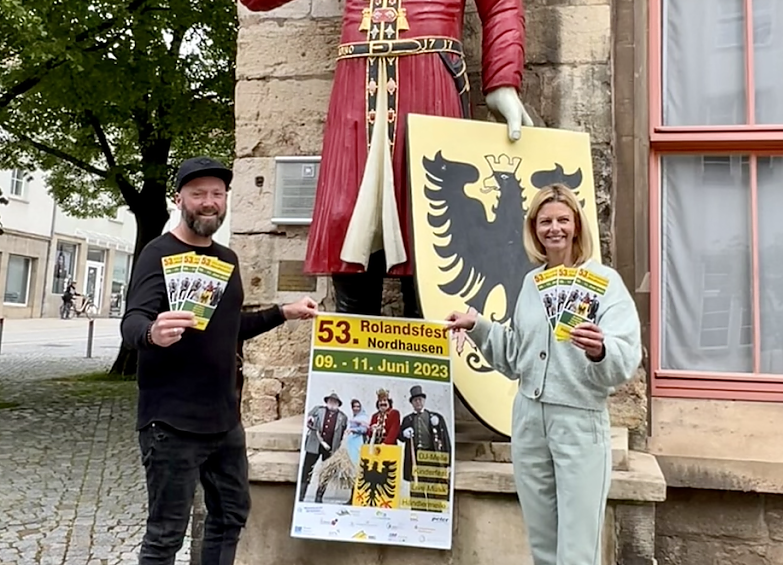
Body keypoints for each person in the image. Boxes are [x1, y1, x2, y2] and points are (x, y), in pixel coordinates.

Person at [239, 0, 531, 318]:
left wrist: (502, 80)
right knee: (347, 216)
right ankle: (349, 358)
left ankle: (426, 349)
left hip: (430, 71)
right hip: (356, 74)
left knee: (429, 221)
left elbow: (501, 4)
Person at [120, 156, 319, 565]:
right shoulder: (156, 253)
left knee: (231, 515)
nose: (209, 202)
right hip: (171, 423)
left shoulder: (226, 260)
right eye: (198, 194)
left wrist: (284, 312)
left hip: (224, 421)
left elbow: (229, 329)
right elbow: (132, 321)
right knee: (165, 535)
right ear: (179, 200)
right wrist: (151, 333)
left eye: (216, 194)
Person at [445, 184, 642, 565]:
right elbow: (517, 355)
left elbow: (625, 357)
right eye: (545, 220)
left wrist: (601, 350)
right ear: (534, 228)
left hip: (579, 420)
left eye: (563, 220)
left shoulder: (606, 283)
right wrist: (478, 326)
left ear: (577, 226)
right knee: (543, 545)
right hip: (529, 420)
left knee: (578, 549)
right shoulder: (532, 284)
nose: (555, 228)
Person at [398, 385, 451, 510]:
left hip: (431, 458)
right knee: (417, 489)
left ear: (424, 401)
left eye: (420, 399)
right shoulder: (408, 419)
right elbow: (400, 436)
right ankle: (418, 515)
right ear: (412, 403)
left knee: (433, 488)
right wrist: (404, 434)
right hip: (415, 459)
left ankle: (434, 515)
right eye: (415, 400)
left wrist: (448, 462)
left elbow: (445, 440)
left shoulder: (435, 417)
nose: (418, 402)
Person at [299, 392, 349, 503]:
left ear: (338, 404)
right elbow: (309, 416)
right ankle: (301, 496)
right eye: (330, 401)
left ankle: (319, 497)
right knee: (307, 469)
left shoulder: (343, 417)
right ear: (327, 402)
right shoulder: (318, 410)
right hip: (314, 445)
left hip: (330, 448)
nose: (332, 403)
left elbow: (342, 433)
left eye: (335, 402)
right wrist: (310, 419)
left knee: (326, 473)